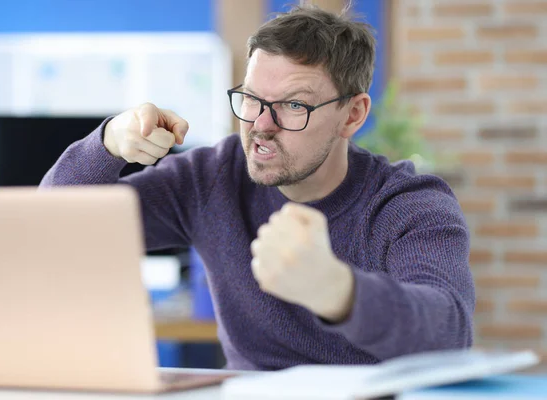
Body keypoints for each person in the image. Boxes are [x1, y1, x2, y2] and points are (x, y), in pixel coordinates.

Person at [40, 5, 475, 371]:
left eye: (293, 104)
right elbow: (55, 230)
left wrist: (338, 291)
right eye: (251, 99)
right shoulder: (211, 176)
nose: (261, 126)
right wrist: (108, 143)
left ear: (352, 115)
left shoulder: (406, 204)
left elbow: (449, 332)